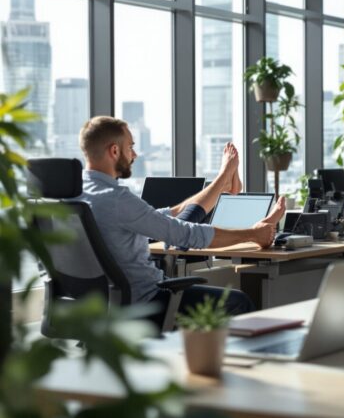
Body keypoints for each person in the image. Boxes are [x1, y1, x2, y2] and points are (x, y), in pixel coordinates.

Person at [76, 116, 285, 327]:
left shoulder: (74, 195)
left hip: (93, 305)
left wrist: (179, 209)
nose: (135, 154)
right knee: (239, 302)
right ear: (114, 151)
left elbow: (155, 218)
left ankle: (223, 180)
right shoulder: (117, 199)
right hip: (145, 303)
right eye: (130, 147)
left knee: (176, 219)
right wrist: (252, 233)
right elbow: (187, 235)